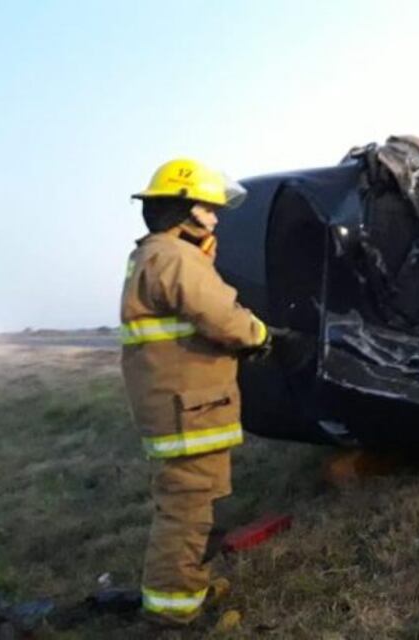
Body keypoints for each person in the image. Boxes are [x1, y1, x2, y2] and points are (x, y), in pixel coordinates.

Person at [121, 158, 272, 625]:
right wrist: (260, 335)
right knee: (185, 513)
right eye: (209, 209)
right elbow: (221, 316)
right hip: (187, 411)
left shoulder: (157, 256)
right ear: (184, 210)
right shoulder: (174, 257)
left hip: (186, 407)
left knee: (192, 506)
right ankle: (176, 615)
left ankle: (189, 586)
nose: (216, 217)